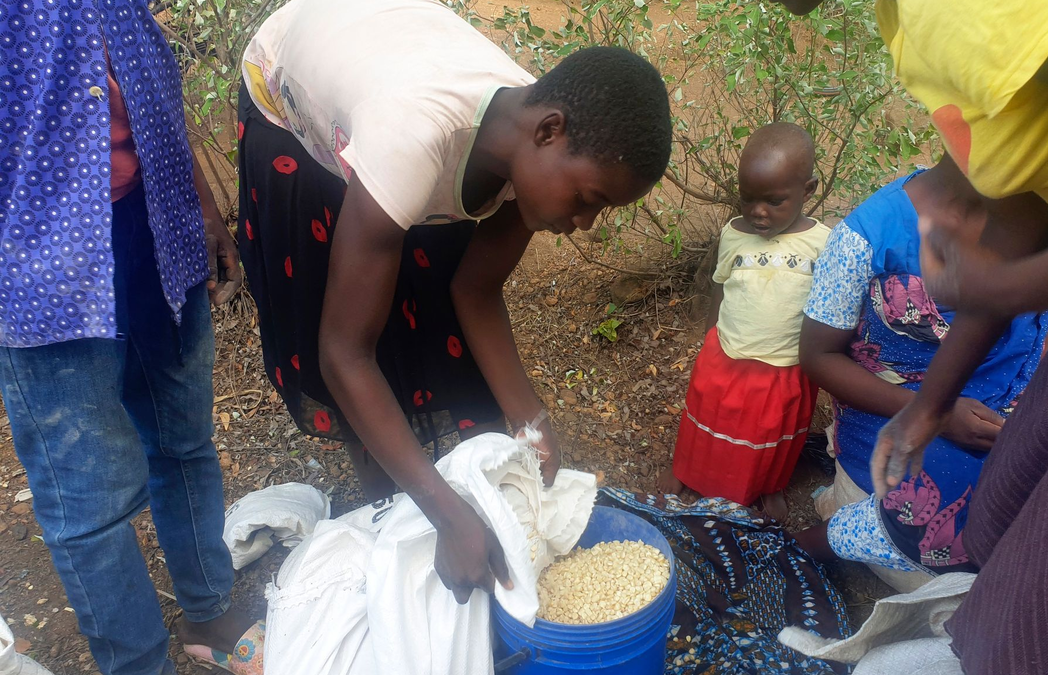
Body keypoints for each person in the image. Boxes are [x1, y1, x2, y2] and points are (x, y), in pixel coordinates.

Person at [771, 0, 1048, 671]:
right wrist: (929, 405)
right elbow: (1030, 186)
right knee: (1014, 526)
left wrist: (1020, 288)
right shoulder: (870, 228)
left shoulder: (962, 11)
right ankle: (838, 539)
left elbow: (1018, 229)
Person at [238, 0, 673, 604]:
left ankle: (428, 505)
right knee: (365, 322)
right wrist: (444, 515)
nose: (584, 222)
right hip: (294, 96)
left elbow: (474, 288)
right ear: (548, 132)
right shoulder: (412, 137)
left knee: (426, 302)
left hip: (387, 63)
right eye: (587, 198)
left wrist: (532, 419)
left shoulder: (527, 141)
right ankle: (389, 512)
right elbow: (344, 352)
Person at [0, 2, 254, 675]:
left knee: (184, 439)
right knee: (89, 499)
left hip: (154, 221)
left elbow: (142, 77)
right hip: (42, 256)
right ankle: (140, 665)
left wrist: (199, 200)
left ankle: (209, 608)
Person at [796, 158, 1048, 590]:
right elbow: (817, 355)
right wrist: (933, 411)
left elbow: (1031, 335)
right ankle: (833, 535)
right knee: (991, 561)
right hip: (899, 426)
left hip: (1003, 417)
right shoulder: (867, 238)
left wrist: (1043, 407)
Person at [656, 123, 829, 523]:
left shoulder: (823, 243)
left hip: (785, 366)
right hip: (727, 353)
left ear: (808, 190)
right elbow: (720, 287)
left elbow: (827, 308)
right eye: (748, 199)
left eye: (774, 201)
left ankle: (768, 486)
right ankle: (686, 471)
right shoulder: (734, 234)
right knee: (704, 418)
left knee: (771, 435)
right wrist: (710, 337)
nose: (758, 212)